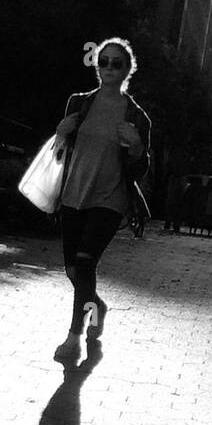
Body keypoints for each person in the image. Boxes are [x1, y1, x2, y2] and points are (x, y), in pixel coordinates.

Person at [51, 37, 152, 364]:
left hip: (110, 199)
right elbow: (58, 155)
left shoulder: (137, 117)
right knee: (72, 269)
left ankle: (73, 339)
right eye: (103, 61)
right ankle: (98, 307)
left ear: (127, 70)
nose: (108, 67)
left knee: (84, 262)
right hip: (73, 195)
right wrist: (61, 132)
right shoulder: (78, 103)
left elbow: (139, 168)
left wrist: (137, 147)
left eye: (116, 63)